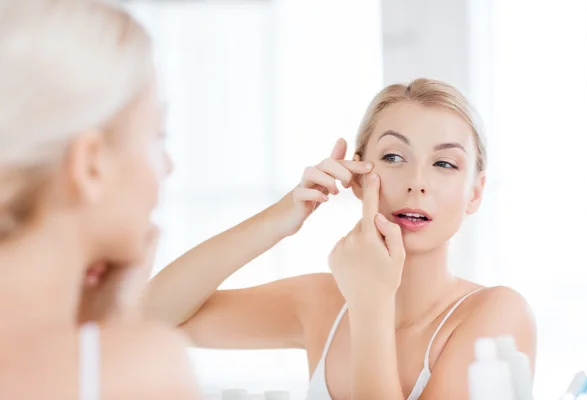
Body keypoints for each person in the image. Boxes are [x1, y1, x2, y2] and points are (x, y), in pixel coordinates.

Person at [143, 79, 537, 399]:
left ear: (475, 192)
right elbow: (151, 317)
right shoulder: (321, 304)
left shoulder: (497, 315)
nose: (417, 183)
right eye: (394, 157)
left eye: (444, 163)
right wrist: (281, 218)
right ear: (359, 174)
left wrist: (371, 304)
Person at [0, 0, 200, 398]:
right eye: (157, 135)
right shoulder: (138, 369)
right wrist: (119, 328)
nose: (169, 166)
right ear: (90, 165)